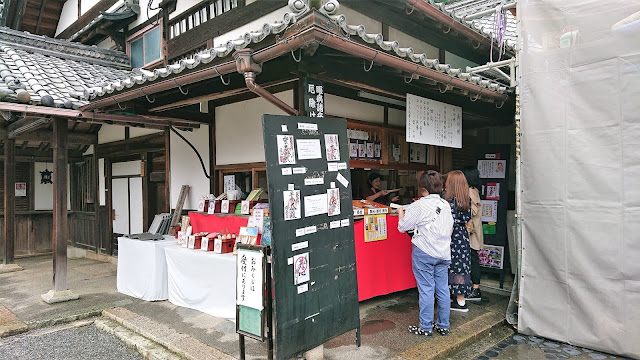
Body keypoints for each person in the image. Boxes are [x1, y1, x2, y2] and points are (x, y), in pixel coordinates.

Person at [398, 170, 454, 337]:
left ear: (423, 189)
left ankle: (425, 327)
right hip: (443, 252)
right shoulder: (446, 205)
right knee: (443, 288)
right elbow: (450, 229)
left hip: (424, 252)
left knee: (426, 289)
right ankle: (443, 325)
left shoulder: (419, 205)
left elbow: (403, 227)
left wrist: (401, 212)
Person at [445, 170, 472, 312]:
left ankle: (459, 301)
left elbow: (450, 223)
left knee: (452, 265)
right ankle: (461, 299)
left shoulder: (449, 203)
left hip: (452, 236)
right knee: (461, 265)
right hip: (463, 235)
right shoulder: (467, 200)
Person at [462, 167, 483, 301]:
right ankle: (474, 287)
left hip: (472, 232)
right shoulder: (473, 189)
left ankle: (476, 289)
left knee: (473, 259)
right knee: (472, 258)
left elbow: (472, 211)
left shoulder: (470, 191)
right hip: (473, 230)